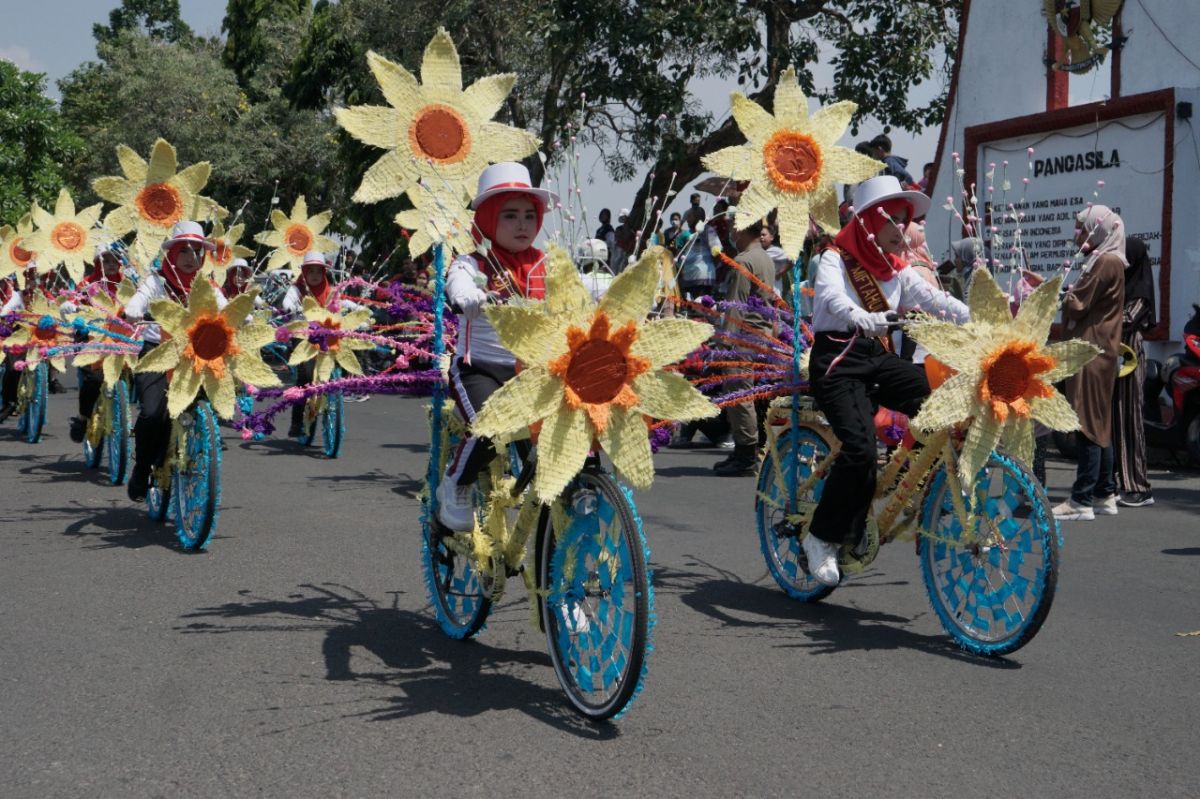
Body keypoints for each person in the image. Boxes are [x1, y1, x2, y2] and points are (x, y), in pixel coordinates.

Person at [803, 176, 968, 586]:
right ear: (868, 223)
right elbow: (830, 299)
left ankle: (919, 483)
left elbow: (935, 301)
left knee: (941, 398)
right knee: (860, 451)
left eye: (904, 219)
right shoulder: (834, 258)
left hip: (875, 356)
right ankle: (820, 537)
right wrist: (861, 316)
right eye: (892, 220)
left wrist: (978, 315)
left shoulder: (898, 270)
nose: (902, 229)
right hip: (837, 360)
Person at [437, 162, 556, 531]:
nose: (522, 224)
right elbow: (459, 287)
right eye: (509, 215)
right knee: (492, 426)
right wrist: (472, 296)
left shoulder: (546, 263)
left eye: (528, 215)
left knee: (570, 427)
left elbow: (579, 290)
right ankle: (456, 483)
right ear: (488, 219)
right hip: (480, 368)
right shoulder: (471, 263)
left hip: (534, 371)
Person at [124, 221, 225, 502]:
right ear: (172, 253)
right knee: (153, 413)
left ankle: (200, 448)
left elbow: (226, 307)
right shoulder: (156, 282)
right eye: (184, 251)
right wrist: (134, 310)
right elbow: (138, 301)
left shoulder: (207, 285)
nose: (190, 257)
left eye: (196, 251)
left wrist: (239, 317)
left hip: (195, 356)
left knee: (211, 403)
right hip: (157, 353)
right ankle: (142, 468)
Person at [1054, 206, 1127, 521]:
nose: (1078, 235)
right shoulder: (1110, 260)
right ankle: (1104, 493)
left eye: (1083, 228)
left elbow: (1077, 303)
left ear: (1099, 230)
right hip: (1100, 349)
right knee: (1099, 423)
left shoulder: (1105, 262)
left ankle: (1081, 499)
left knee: (1086, 421)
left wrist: (1052, 294)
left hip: (1091, 349)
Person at [713, 219, 778, 476]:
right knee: (747, 394)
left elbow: (736, 307)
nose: (731, 232)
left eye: (733, 228)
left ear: (740, 230)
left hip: (742, 337)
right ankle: (745, 450)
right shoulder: (765, 258)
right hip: (759, 334)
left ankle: (746, 454)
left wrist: (725, 343)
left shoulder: (743, 261)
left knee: (739, 395)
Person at [1112, 237, 1156, 506]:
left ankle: (1139, 486)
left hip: (1130, 354)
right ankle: (1122, 482)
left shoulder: (1140, 292)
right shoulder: (1127, 286)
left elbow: (1128, 319)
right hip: (1118, 356)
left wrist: (1100, 313)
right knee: (1117, 419)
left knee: (1130, 419)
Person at [68, 245, 126, 443]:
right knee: (93, 380)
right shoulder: (87, 284)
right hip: (93, 338)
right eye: (106, 261)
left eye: (115, 261)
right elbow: (74, 305)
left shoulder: (128, 284)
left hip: (123, 339)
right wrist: (77, 317)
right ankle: (83, 418)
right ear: (97, 263)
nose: (111, 265)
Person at [677, 207, 718, 300]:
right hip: (689, 276)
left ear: (697, 217)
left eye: (690, 216)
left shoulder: (708, 230)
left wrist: (711, 269)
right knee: (692, 306)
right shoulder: (685, 234)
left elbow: (717, 252)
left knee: (701, 305)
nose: (687, 219)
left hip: (703, 277)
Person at [760, 225, 790, 296]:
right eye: (760, 235)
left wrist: (780, 273)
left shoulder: (776, 251)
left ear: (771, 237)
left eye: (764, 235)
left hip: (775, 291)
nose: (761, 237)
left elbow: (793, 259)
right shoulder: (761, 251)